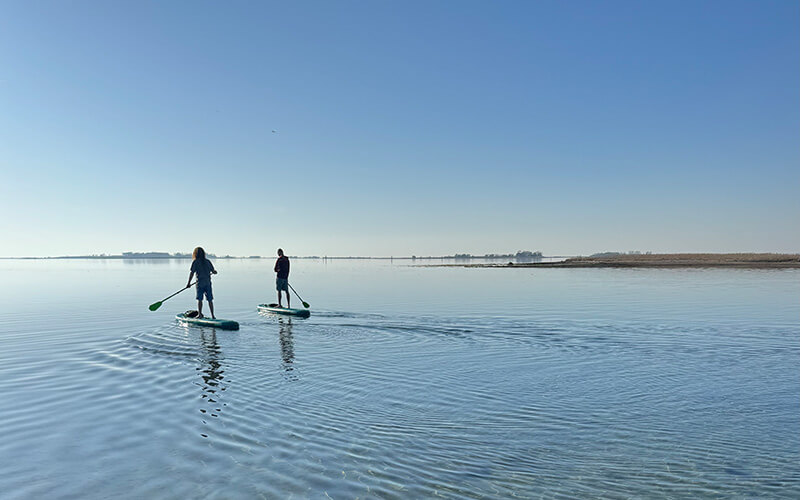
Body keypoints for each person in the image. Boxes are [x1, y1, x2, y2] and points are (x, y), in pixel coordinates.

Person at [187, 247, 218, 318]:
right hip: (208, 283)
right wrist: (214, 272)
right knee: (210, 300)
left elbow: (192, 273)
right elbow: (213, 271)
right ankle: (213, 315)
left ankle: (200, 314)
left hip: (200, 284)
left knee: (200, 299)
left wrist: (188, 283)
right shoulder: (208, 261)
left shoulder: (195, 262)